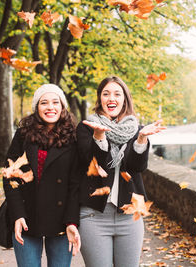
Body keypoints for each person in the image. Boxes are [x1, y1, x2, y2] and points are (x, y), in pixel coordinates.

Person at [74, 76, 165, 267]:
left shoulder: (136, 130)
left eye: (117, 93)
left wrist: (140, 140)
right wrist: (99, 139)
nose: (111, 98)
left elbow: (136, 167)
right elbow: (93, 165)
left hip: (129, 217)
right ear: (100, 99)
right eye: (106, 94)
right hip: (94, 216)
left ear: (125, 99)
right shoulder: (87, 128)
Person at [2, 84, 81, 267]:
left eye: (55, 102)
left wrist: (72, 221)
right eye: (44, 102)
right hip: (27, 216)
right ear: (37, 107)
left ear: (62, 106)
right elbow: (10, 175)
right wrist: (17, 214)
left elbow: (75, 183)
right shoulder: (23, 134)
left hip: (61, 220)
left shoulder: (73, 136)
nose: (50, 107)